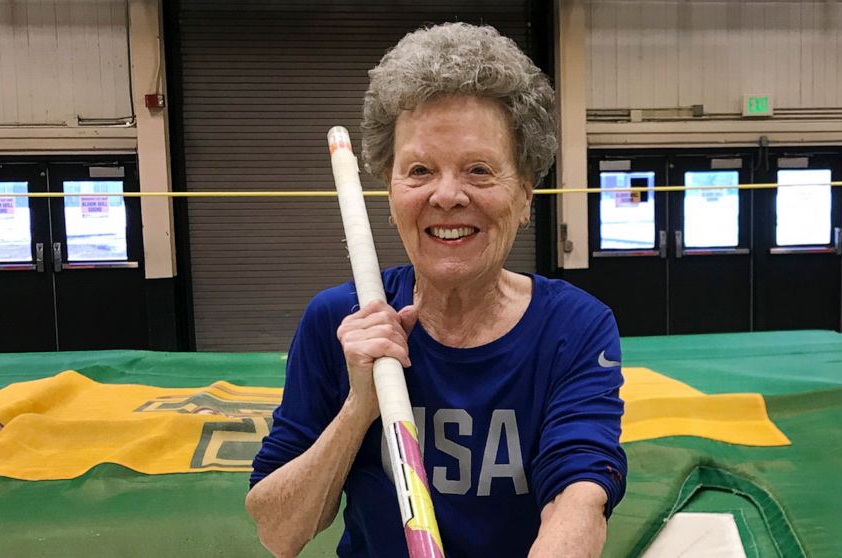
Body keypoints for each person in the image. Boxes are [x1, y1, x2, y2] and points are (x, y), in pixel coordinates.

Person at [246, 22, 626, 558]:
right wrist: (359, 406)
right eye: (420, 170)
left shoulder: (574, 328)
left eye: (478, 170)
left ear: (524, 196)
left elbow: (578, 497)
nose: (447, 195)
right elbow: (278, 532)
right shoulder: (338, 320)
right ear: (390, 189)